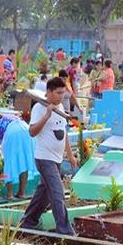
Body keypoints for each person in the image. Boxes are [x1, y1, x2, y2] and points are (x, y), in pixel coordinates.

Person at [21, 77, 78, 235]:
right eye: (58, 93)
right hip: (44, 158)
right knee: (57, 192)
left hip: (57, 158)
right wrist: (46, 115)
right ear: (49, 92)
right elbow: (32, 132)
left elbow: (63, 133)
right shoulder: (39, 108)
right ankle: (64, 230)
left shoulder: (60, 108)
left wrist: (70, 155)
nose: (61, 96)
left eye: (63, 93)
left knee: (44, 194)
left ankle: (28, 221)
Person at [0, 113, 34, 200]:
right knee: (24, 161)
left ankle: (9, 194)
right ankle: (21, 193)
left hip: (12, 132)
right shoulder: (9, 118)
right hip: (25, 128)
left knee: (9, 162)